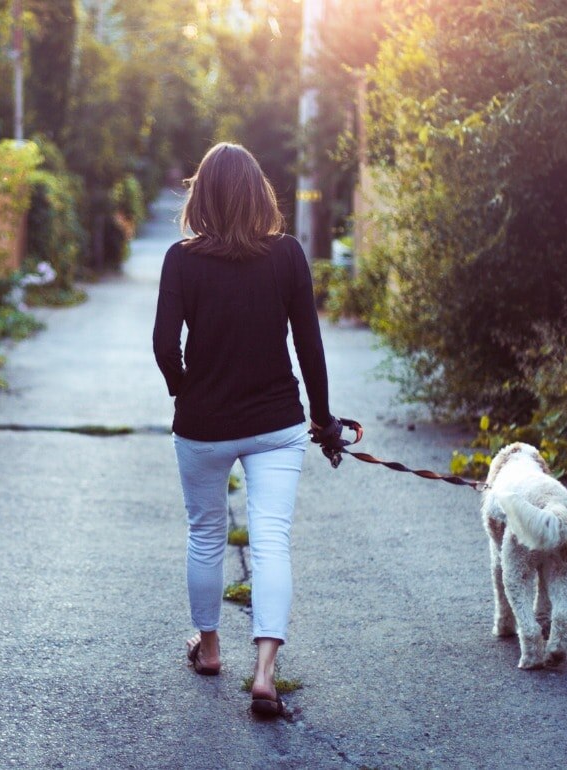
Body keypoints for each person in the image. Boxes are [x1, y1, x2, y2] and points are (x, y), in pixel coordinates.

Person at [152, 142, 345, 718]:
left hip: (203, 425)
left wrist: (185, 389)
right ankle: (264, 673)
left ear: (202, 197)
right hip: (275, 423)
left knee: (206, 535)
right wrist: (323, 419)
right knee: (271, 539)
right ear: (259, 194)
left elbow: (164, 344)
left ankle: (210, 649)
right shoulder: (287, 255)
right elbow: (309, 345)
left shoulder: (181, 259)